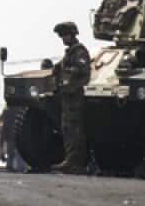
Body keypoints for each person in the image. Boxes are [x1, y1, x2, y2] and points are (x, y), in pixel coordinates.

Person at [51, 21, 91, 174]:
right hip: (67, 94)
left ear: (72, 34)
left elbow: (81, 68)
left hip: (74, 94)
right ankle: (70, 159)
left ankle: (75, 162)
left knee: (74, 128)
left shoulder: (79, 52)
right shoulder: (70, 53)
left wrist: (66, 70)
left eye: (65, 35)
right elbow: (59, 67)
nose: (63, 39)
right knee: (67, 128)